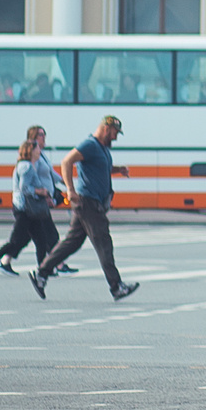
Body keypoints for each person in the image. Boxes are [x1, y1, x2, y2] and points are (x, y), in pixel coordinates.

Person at [32, 115, 138, 301]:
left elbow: (101, 167)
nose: (115, 137)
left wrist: (118, 169)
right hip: (88, 202)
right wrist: (70, 190)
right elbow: (67, 161)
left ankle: (42, 274)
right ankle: (116, 287)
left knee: (72, 242)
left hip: (91, 203)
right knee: (104, 243)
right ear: (106, 128)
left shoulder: (101, 149)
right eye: (114, 133)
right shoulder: (90, 144)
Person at [0, 125, 63, 277]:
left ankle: (43, 269)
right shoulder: (26, 167)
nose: (39, 151)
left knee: (40, 240)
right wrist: (41, 192)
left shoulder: (31, 165)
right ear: (31, 150)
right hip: (24, 209)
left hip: (30, 208)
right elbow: (24, 188)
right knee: (17, 241)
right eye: (36, 149)